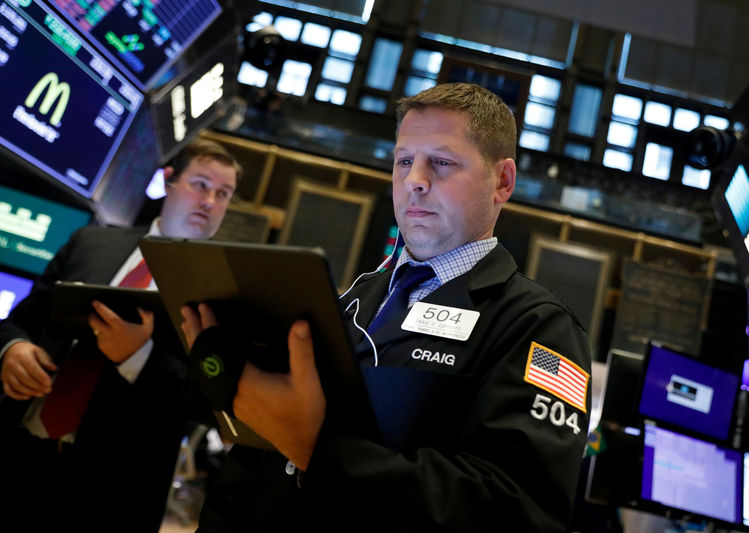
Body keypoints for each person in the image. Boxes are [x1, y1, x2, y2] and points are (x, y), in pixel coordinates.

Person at [183, 83, 591, 532]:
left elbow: (520, 512)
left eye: (441, 161)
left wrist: (322, 452)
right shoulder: (344, 300)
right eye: (403, 161)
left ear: (503, 181)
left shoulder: (542, 329)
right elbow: (256, 457)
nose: (414, 179)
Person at [0, 138, 241, 532]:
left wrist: (138, 358)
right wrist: (13, 349)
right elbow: (20, 321)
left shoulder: (223, 290)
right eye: (200, 184)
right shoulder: (92, 242)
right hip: (21, 447)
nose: (210, 201)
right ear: (168, 181)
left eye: (223, 193)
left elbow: (210, 402)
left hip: (113, 491)